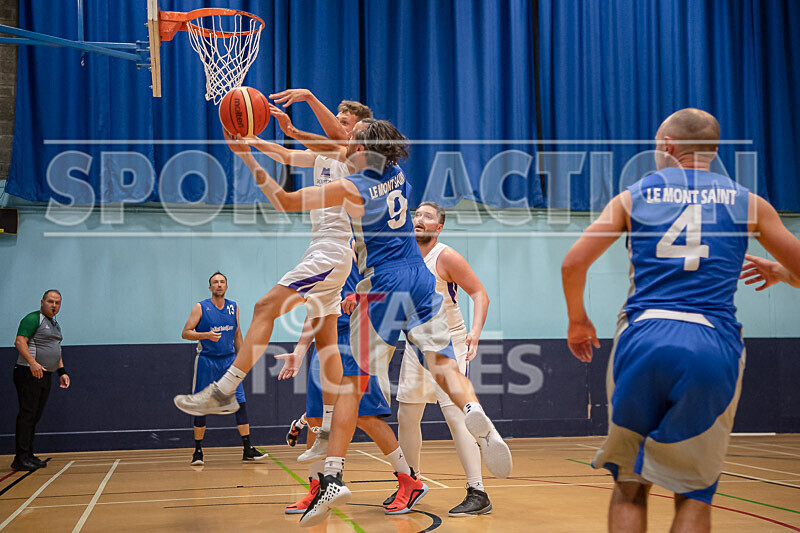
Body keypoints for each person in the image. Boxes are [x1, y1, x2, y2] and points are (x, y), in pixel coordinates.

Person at [221, 118, 512, 527]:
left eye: (352, 138)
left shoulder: (352, 186)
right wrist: (283, 133)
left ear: (361, 148)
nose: (346, 141)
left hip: (384, 283)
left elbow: (286, 201)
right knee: (443, 362)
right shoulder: (396, 173)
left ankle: (334, 475)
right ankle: (473, 409)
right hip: (420, 278)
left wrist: (250, 159)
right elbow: (331, 145)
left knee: (351, 384)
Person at [560, 108, 800, 532]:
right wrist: (782, 273)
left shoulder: (634, 195)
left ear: (668, 145)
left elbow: (573, 263)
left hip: (644, 336)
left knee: (630, 486)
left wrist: (578, 322)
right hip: (713, 344)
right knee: (694, 492)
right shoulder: (749, 202)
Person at [174, 92, 372, 457]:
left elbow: (335, 139)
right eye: (338, 118)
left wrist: (308, 102)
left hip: (332, 249)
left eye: (345, 122)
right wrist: (251, 141)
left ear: (357, 132)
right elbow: (285, 155)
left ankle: (224, 389)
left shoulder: (357, 159)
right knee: (326, 341)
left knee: (265, 306)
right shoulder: (324, 156)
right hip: (321, 248)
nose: (338, 124)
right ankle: (327, 429)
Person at [280, 257, 428, 515]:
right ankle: (317, 488)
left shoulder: (370, 248)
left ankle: (409, 480)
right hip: (326, 343)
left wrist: (362, 300)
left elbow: (394, 295)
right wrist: (300, 350)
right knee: (315, 415)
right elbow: (316, 309)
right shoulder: (326, 256)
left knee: (366, 416)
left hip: (358, 339)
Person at [390, 201, 492, 516]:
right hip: (415, 344)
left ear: (439, 227)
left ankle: (478, 491)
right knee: (406, 415)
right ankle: (410, 483)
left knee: (456, 417)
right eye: (416, 214)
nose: (419, 219)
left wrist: (475, 331)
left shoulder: (445, 256)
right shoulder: (402, 256)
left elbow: (479, 293)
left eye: (428, 216)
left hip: (450, 343)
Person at [179, 272, 267, 465]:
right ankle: (198, 451)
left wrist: (244, 359)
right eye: (215, 282)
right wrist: (205, 335)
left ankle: (247, 449)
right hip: (207, 361)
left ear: (226, 286)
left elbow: (237, 334)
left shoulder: (233, 307)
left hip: (229, 361)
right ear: (210, 287)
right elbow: (185, 333)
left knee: (240, 403)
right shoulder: (200, 307)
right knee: (201, 405)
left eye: (222, 282)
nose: (219, 285)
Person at [11, 290, 70, 471]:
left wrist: (62, 371)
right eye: (50, 301)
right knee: (27, 415)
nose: (54, 305)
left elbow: (54, 349)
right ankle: (20, 458)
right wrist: (32, 363)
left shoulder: (54, 324)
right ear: (42, 302)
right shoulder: (33, 319)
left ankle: (28, 454)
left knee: (34, 416)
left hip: (46, 374)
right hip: (29, 373)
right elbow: (20, 341)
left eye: (57, 303)